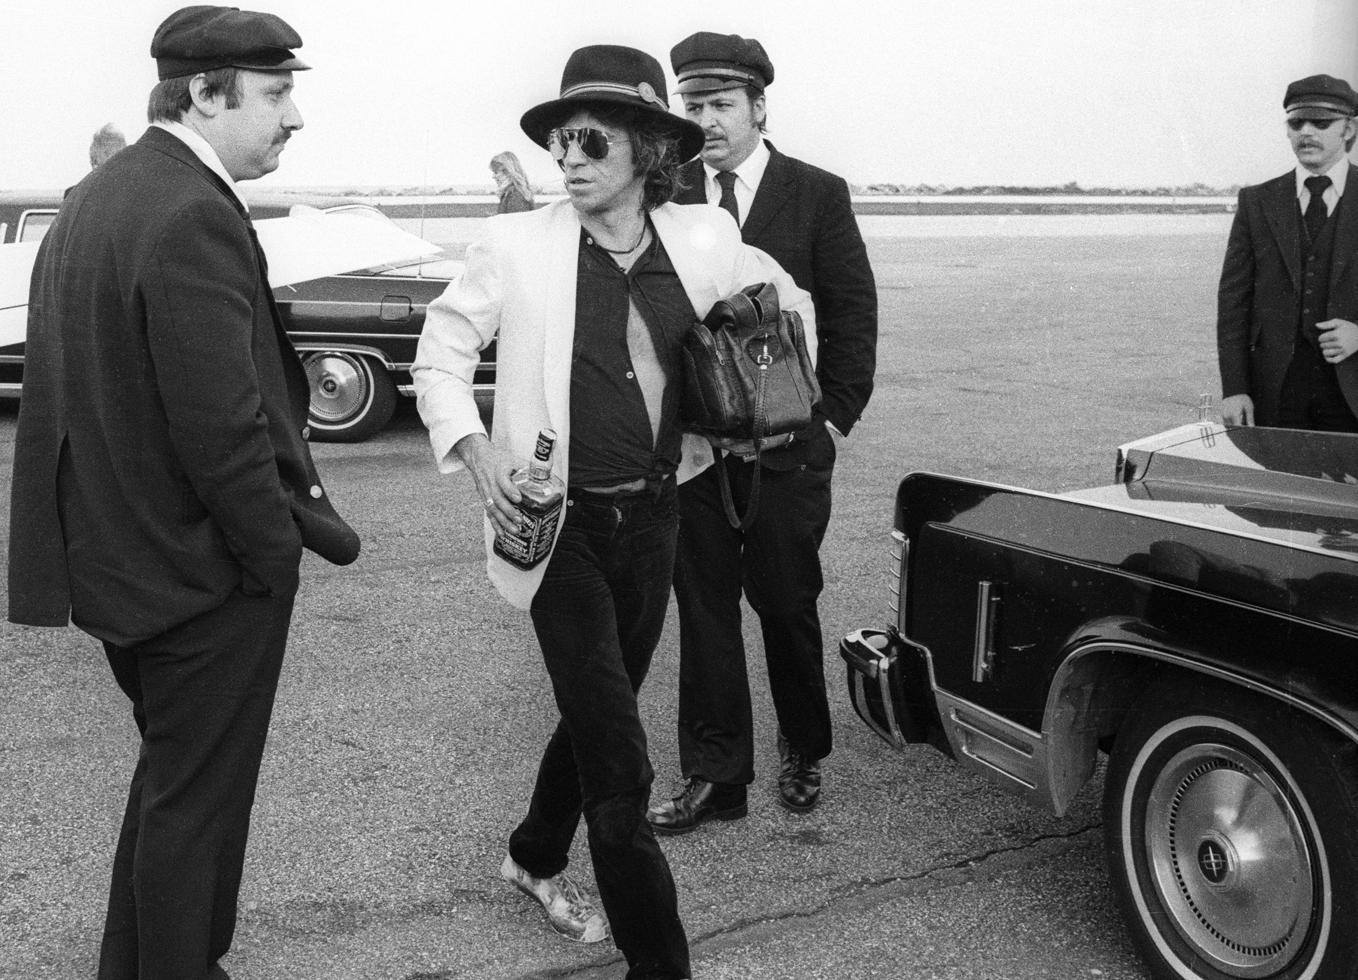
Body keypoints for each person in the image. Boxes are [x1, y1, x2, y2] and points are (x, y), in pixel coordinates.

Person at [412, 44, 813, 980]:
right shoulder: (518, 244)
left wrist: (762, 396)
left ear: (647, 148)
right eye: (560, 140)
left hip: (658, 519)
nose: (570, 156)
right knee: (621, 763)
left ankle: (533, 855)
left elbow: (787, 306)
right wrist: (479, 456)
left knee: (602, 712)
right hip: (559, 531)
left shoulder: (704, 237)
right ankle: (658, 961)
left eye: (591, 139)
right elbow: (440, 354)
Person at [6, 8, 360, 979]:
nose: (294, 117)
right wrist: (272, 557)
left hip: (121, 566)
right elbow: (221, 425)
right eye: (275, 94)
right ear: (204, 93)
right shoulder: (190, 210)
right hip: (195, 578)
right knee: (197, 810)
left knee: (171, 788)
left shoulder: (100, 193)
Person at [646, 32, 878, 834]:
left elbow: (852, 311)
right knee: (704, 609)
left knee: (786, 601)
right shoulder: (664, 193)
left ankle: (803, 749)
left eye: (721, 104)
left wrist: (831, 418)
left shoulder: (815, 193)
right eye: (692, 105)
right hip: (697, 452)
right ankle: (717, 776)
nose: (705, 120)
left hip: (787, 450)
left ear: (758, 107)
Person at [1218, 73, 1358, 432]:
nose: (1306, 132)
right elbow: (1234, 303)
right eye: (1297, 123)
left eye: (1321, 123)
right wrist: (1234, 389)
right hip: (1275, 395)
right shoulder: (1257, 202)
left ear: (1349, 129)